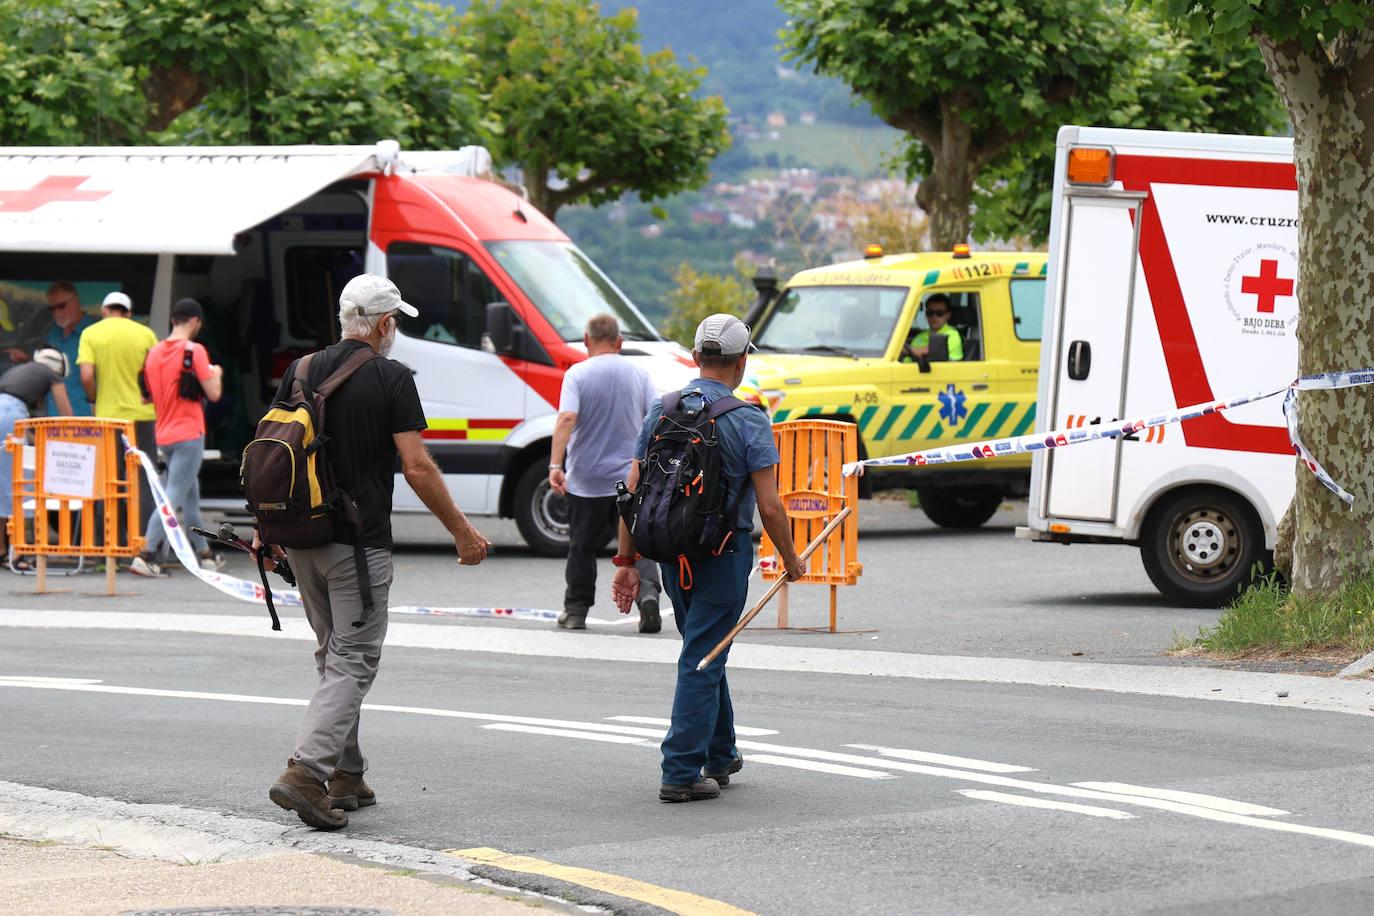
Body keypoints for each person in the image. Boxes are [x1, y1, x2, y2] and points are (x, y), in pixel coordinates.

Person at [266, 274, 492, 831]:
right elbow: (416, 466)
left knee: (332, 656)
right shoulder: (392, 378)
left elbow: (273, 452)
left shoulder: (300, 370)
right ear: (386, 324)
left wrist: (267, 532)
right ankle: (307, 773)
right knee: (354, 659)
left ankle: (347, 775)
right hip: (357, 545)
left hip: (301, 539)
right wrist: (463, 530)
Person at [612, 314, 806, 803]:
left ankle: (721, 755)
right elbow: (770, 505)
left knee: (706, 647)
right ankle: (679, 770)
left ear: (696, 357)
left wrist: (626, 562)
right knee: (703, 655)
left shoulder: (661, 411)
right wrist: (792, 559)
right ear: (742, 362)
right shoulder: (749, 420)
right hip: (722, 554)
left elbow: (632, 492)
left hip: (672, 551)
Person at [549, 313, 664, 633]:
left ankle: (576, 611)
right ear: (620, 342)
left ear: (586, 340)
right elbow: (655, 419)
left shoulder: (577, 374)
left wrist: (556, 465)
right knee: (638, 544)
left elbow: (566, 418)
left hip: (586, 479)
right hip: (629, 478)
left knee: (581, 547)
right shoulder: (639, 373)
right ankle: (648, 598)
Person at [130, 298, 225, 578]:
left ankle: (204, 554)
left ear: (173, 320)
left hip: (164, 434)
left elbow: (145, 397)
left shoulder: (154, 353)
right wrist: (216, 373)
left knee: (189, 495)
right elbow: (214, 394)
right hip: (189, 433)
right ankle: (146, 555)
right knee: (171, 498)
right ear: (195, 321)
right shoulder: (194, 351)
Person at [77, 291, 159, 536]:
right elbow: (155, 375)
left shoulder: (91, 333)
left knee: (108, 479)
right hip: (143, 416)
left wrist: (93, 397)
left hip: (108, 417)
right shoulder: (145, 334)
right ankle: (143, 542)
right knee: (143, 479)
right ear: (129, 313)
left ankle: (109, 545)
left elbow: (87, 376)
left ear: (104, 311)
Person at [0, 349, 74, 562]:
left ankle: (2, 549)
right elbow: (66, 414)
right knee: (20, 482)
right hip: (11, 416)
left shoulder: (21, 371)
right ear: (58, 367)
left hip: (5, 413)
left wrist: (34, 437)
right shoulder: (51, 375)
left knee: (2, 481)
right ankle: (19, 551)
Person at [2, 282, 98, 416]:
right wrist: (27, 359)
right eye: (52, 308)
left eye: (61, 306)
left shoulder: (94, 333)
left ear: (76, 302)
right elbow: (50, 369)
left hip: (85, 417)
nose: (57, 312)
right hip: (52, 420)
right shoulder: (53, 334)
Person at [902, 293, 964, 362]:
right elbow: (907, 362)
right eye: (930, 313)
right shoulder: (920, 337)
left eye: (939, 313)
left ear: (948, 315)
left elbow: (929, 351)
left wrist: (903, 349)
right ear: (926, 314)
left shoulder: (952, 335)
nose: (934, 317)